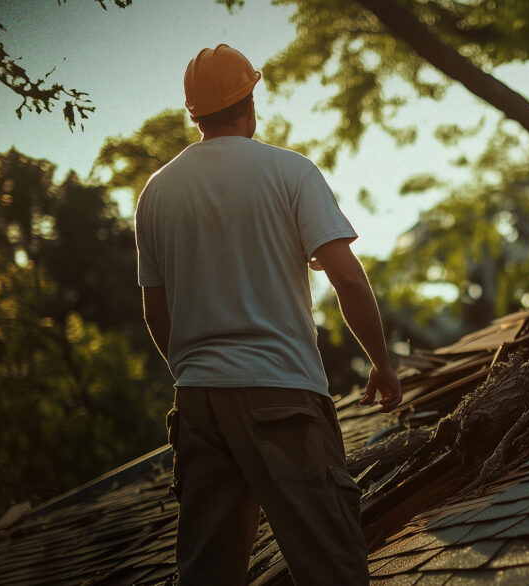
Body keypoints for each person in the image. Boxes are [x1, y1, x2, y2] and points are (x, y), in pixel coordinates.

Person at [134, 44, 401, 585]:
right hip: (281, 393)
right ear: (250, 102)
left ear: (194, 113)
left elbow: (155, 313)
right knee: (332, 562)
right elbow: (347, 278)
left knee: (208, 574)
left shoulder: (156, 193)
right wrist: (381, 362)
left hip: (199, 405)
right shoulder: (290, 172)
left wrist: (194, 371)